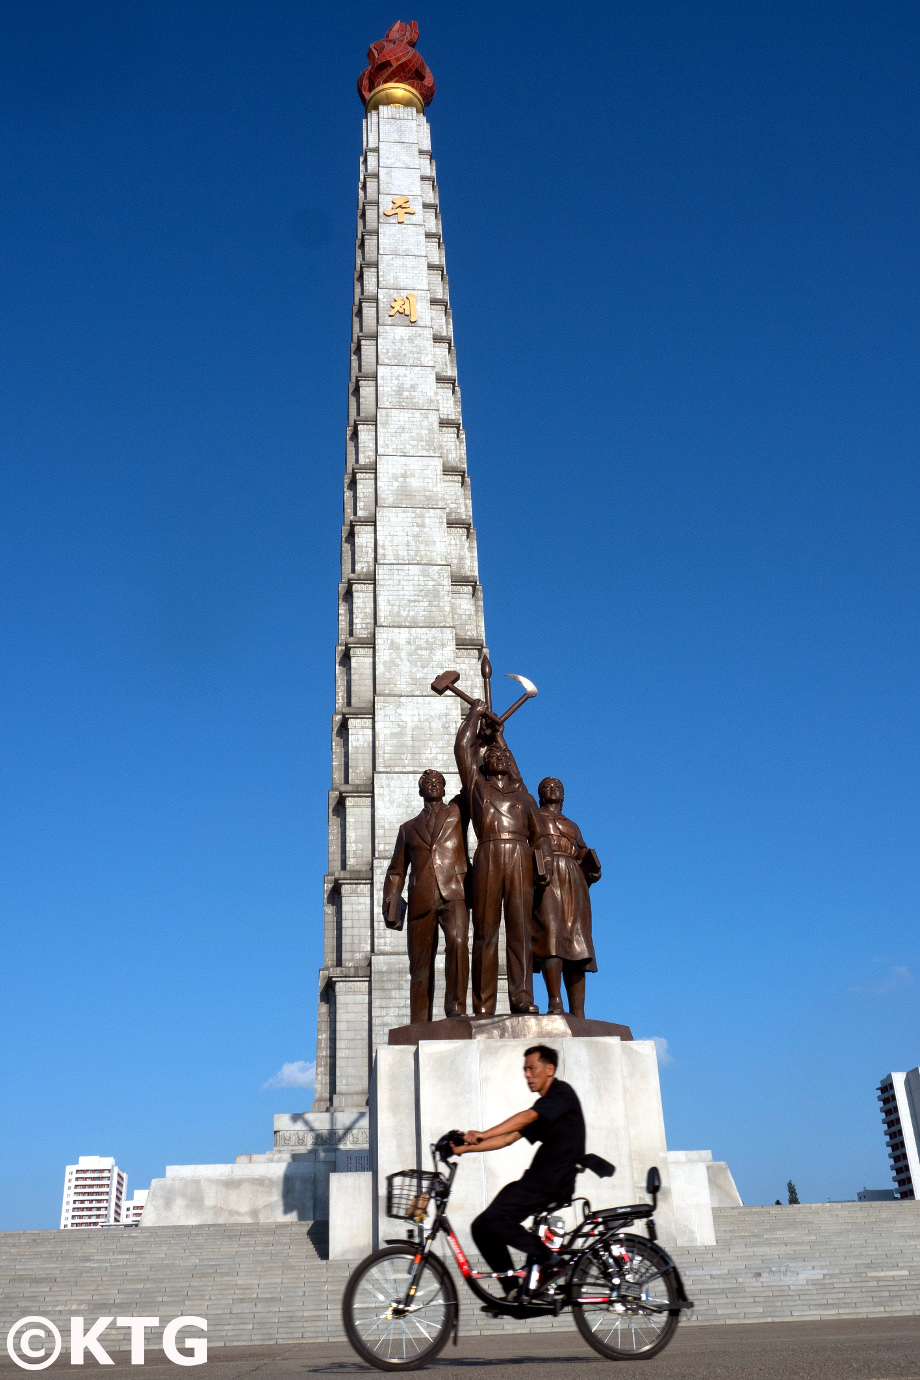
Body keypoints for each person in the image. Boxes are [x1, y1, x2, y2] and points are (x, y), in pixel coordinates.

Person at [451, 1044, 585, 1302]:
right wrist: (463, 1149)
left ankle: (552, 1262)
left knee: (496, 1220)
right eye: (525, 1070)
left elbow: (526, 1117)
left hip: (552, 1181)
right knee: (481, 1226)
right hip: (537, 1180)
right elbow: (508, 1138)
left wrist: (483, 1132)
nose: (527, 1075)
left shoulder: (561, 1094)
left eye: (532, 1069)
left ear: (550, 1069)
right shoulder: (547, 1106)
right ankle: (513, 1290)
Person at [454, 702, 552, 1015]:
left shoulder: (524, 796)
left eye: (504, 756)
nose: (499, 757)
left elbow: (539, 837)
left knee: (520, 930)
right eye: (493, 755)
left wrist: (543, 865)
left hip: (520, 857)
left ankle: (521, 998)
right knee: (485, 931)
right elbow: (462, 748)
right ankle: (483, 1005)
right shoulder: (476, 787)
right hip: (488, 855)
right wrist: (474, 715)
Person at [382, 769, 470, 1023]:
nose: (433, 786)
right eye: (428, 783)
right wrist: (391, 904)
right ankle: (419, 1020)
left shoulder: (458, 812)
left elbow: (470, 777)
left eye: (438, 783)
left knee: (458, 942)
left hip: (453, 892)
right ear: (420, 790)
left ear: (444, 788)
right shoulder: (408, 829)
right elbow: (396, 871)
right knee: (420, 964)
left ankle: (455, 1007)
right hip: (421, 897)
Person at [532, 777, 600, 1017]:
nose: (553, 790)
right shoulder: (534, 816)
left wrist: (593, 868)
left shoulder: (572, 825)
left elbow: (582, 851)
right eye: (547, 787)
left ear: (563, 795)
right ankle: (555, 1003)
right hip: (548, 877)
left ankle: (578, 1012)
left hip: (573, 880)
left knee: (577, 944)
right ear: (540, 794)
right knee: (552, 937)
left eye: (557, 787)